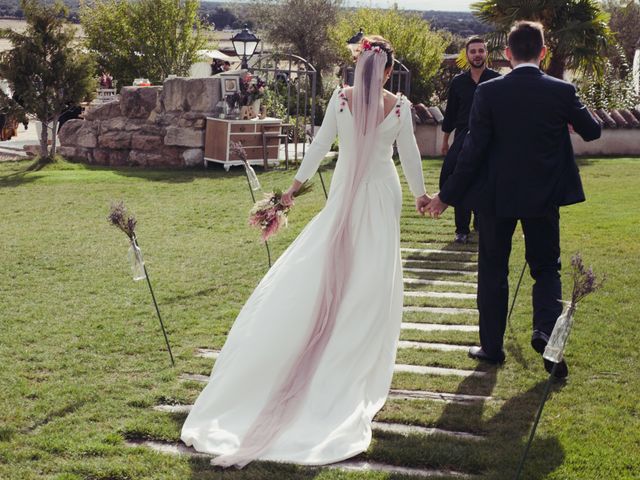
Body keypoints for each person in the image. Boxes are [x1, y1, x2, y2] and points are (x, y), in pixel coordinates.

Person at [181, 36, 431, 467]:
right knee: (372, 277)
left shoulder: (339, 101)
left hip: (346, 198)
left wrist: (291, 191)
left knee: (329, 268)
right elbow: (407, 154)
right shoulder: (401, 107)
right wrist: (423, 195)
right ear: (389, 71)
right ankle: (353, 353)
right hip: (381, 194)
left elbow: (319, 148)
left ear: (358, 67)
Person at [426, 22, 601, 378]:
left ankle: (491, 348)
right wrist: (565, 118)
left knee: (493, 270)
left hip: (494, 198)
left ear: (506, 54)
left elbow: (472, 151)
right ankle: (545, 332)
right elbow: (593, 130)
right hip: (543, 197)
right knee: (546, 268)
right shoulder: (562, 91)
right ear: (543, 52)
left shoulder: (488, 93)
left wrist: (446, 195)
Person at [440, 37, 501, 244]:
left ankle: (481, 223)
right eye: (473, 51)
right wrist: (445, 141)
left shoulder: (496, 80)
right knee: (461, 180)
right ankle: (461, 229)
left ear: (486, 54)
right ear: (467, 55)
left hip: (489, 140)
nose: (477, 54)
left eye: (481, 51)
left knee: (485, 181)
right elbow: (450, 115)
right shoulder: (458, 82)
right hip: (462, 139)